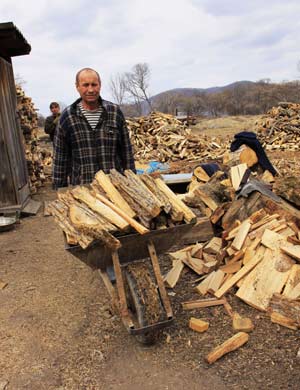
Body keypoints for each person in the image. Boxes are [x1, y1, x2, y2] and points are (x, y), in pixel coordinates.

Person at [52, 68, 135, 189]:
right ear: (77, 87)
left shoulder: (114, 112)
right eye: (85, 85)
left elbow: (126, 152)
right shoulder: (68, 117)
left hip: (115, 188)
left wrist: (133, 183)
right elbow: (60, 157)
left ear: (100, 85)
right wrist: (59, 189)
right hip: (83, 189)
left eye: (94, 85)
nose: (90, 89)